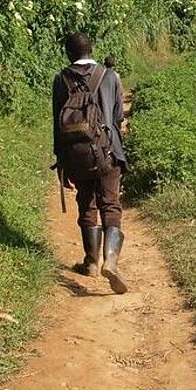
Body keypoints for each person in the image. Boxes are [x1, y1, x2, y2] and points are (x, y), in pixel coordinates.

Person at [52, 32, 129, 294]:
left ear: (68, 53)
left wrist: (61, 162)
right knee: (111, 204)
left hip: (77, 154)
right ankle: (112, 261)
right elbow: (118, 118)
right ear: (91, 50)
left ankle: (92, 262)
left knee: (86, 203)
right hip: (108, 151)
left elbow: (57, 125)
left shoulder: (61, 79)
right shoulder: (109, 76)